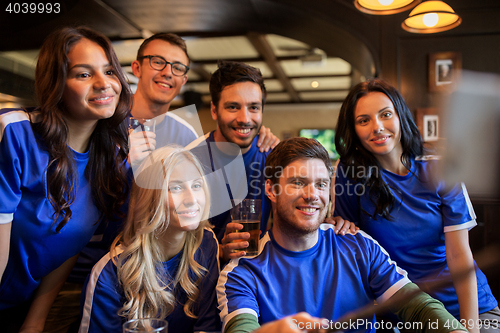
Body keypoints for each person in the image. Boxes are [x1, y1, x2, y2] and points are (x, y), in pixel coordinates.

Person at [217, 137, 467, 333]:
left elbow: (417, 306)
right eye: (298, 183)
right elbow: (241, 327)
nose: (312, 195)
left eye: (321, 184)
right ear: (271, 190)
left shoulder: (359, 245)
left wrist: (454, 329)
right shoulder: (241, 272)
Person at [333, 79, 499, 333]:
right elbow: (350, 245)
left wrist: (470, 328)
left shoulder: (438, 165)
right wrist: (336, 223)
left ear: (400, 116)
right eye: (363, 120)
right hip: (402, 314)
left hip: (466, 307)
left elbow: (459, 255)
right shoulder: (349, 174)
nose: (377, 127)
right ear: (353, 130)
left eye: (385, 114)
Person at [0, 26, 131, 332]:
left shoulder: (110, 159)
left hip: (20, 303)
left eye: (109, 71)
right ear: (56, 84)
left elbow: (67, 246)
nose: (104, 84)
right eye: (84, 74)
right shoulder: (15, 133)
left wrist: (35, 321)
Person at [79, 146, 220, 333]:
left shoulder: (206, 243)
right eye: (175, 187)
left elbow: (208, 327)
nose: (192, 199)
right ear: (150, 198)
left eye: (196, 185)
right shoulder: (109, 273)